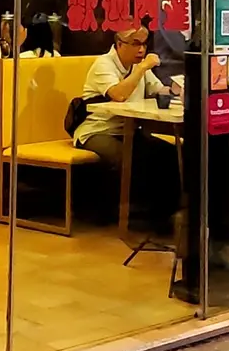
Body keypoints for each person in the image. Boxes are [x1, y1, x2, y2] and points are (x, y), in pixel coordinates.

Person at [73, 25, 178, 233]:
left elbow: (159, 89)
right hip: (97, 130)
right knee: (127, 158)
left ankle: (162, 217)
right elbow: (118, 94)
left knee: (168, 153)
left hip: (128, 130)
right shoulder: (104, 64)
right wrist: (142, 68)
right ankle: (121, 215)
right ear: (119, 44)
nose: (141, 50)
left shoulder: (138, 67)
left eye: (144, 44)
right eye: (135, 44)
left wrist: (178, 88)